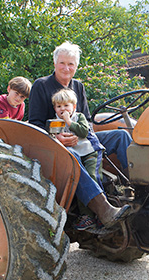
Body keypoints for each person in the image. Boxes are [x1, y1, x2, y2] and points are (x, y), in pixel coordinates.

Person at [29, 41, 132, 229]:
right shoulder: (41, 85)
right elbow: (34, 124)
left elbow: (88, 120)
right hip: (54, 145)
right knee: (73, 157)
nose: (66, 68)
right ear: (55, 63)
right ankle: (104, 210)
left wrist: (84, 136)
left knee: (121, 136)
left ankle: (137, 188)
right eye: (62, 63)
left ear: (76, 66)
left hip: (80, 138)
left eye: (71, 64)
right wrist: (56, 139)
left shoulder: (78, 86)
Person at [52, 88, 105, 230]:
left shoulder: (79, 117)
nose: (63, 109)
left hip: (88, 153)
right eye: (59, 106)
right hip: (72, 156)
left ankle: (102, 213)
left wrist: (69, 122)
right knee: (79, 180)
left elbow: (83, 131)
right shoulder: (54, 123)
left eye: (66, 106)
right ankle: (87, 216)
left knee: (92, 176)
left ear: (73, 107)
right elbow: (50, 139)